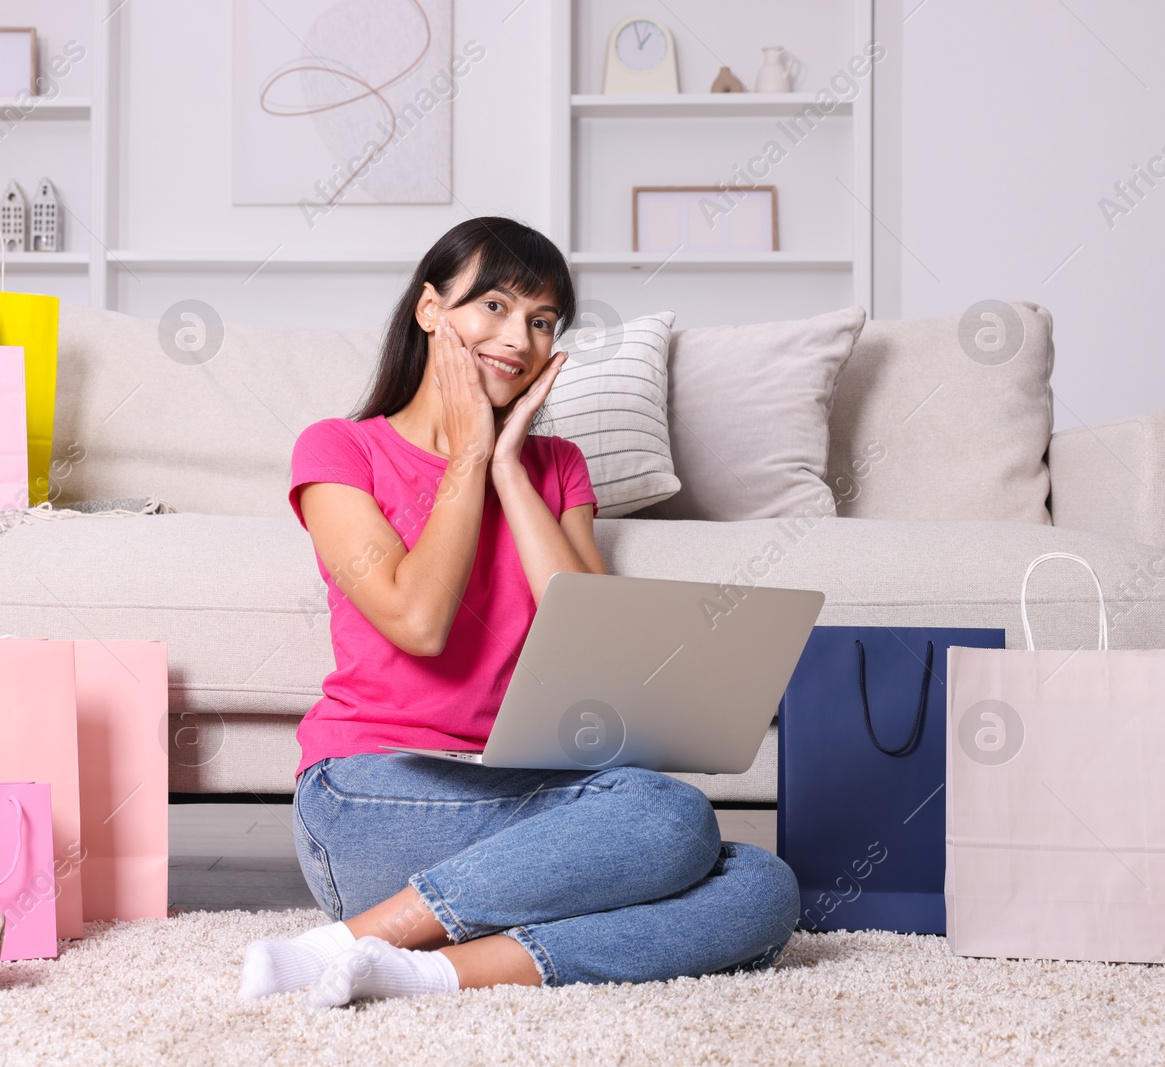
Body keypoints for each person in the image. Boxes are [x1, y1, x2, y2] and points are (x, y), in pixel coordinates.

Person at [237, 217, 799, 1008]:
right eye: (494, 307)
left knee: (764, 887)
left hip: (526, 803)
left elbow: (599, 649)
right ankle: (358, 933)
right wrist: (469, 452)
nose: (520, 338)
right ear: (431, 310)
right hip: (369, 797)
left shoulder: (554, 466)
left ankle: (424, 968)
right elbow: (419, 621)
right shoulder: (340, 450)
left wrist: (507, 466)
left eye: (541, 321)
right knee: (669, 814)